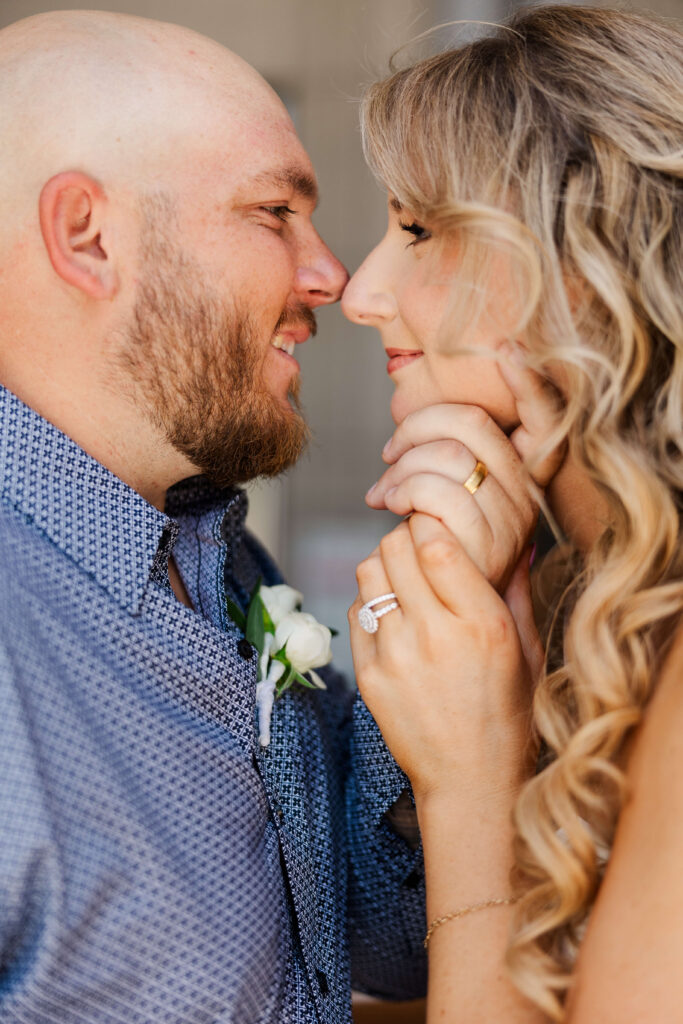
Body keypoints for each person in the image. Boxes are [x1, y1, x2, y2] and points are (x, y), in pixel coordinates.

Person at [0, 11, 429, 1022]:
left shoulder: (230, 564)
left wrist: (457, 694)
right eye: (274, 210)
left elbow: (380, 938)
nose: (332, 276)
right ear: (88, 238)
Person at [342, 5, 683, 1022]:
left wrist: (470, 784)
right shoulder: (586, 599)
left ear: (573, 272)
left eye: (415, 230)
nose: (358, 292)